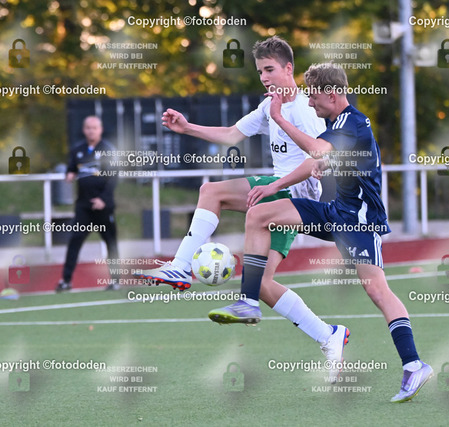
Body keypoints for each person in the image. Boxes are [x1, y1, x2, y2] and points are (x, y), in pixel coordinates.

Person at [209, 63, 433, 402]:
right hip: (334, 212)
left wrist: (279, 118)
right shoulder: (336, 123)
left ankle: (414, 365)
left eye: (313, 97)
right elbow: (324, 156)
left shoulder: (352, 122)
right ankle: (249, 301)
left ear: (332, 93)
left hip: (359, 223)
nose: (310, 102)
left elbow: (318, 149)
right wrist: (306, 172)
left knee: (377, 290)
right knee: (259, 215)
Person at [134, 36, 349, 380]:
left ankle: (180, 266)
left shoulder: (305, 108)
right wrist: (186, 127)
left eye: (270, 69)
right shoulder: (268, 107)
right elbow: (232, 134)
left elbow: (317, 158)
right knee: (262, 283)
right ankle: (329, 335)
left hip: (293, 194)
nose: (264, 77)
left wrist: (275, 184)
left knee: (212, 192)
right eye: (260, 71)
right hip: (280, 195)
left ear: (288, 69)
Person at [55, 116, 120, 292]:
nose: (91, 131)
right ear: (84, 130)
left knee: (110, 242)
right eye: (88, 128)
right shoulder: (78, 150)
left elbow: (113, 178)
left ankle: (115, 280)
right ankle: (66, 280)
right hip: (83, 206)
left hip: (103, 207)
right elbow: (72, 168)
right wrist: (69, 173)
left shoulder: (108, 150)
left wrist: (103, 199)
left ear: (100, 129)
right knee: (74, 241)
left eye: (94, 128)